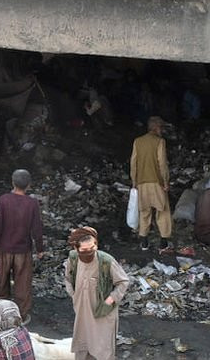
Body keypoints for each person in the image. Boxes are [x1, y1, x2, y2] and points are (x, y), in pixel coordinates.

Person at [64, 227, 130, 360]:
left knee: (103, 347)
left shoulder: (106, 261)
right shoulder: (73, 259)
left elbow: (123, 282)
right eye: (84, 250)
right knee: (83, 343)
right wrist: (74, 295)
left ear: (96, 245)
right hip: (82, 311)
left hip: (102, 313)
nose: (88, 252)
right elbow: (68, 279)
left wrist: (109, 300)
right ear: (76, 249)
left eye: (92, 249)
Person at [0, 169, 44, 323]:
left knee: (3, 281)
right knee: (22, 283)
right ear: (29, 185)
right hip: (23, 250)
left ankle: (3, 312)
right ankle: (20, 316)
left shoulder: (3, 200)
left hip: (5, 248)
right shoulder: (32, 203)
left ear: (12, 183)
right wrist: (40, 249)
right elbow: (37, 228)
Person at [130, 116, 172, 251]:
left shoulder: (138, 141)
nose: (162, 130)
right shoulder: (160, 142)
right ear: (156, 127)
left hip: (141, 182)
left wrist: (134, 181)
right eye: (161, 127)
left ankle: (144, 242)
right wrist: (165, 181)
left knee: (144, 212)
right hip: (157, 182)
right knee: (163, 211)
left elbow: (133, 164)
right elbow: (162, 164)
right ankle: (163, 242)